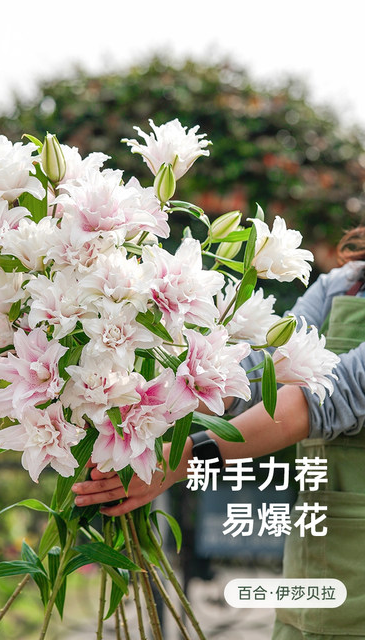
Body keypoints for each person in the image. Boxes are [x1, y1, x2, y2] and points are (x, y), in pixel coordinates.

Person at [72, 226, 365, 639]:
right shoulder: (342, 285)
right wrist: (138, 403)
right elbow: (258, 367)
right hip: (319, 561)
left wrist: (177, 460)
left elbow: (324, 400)